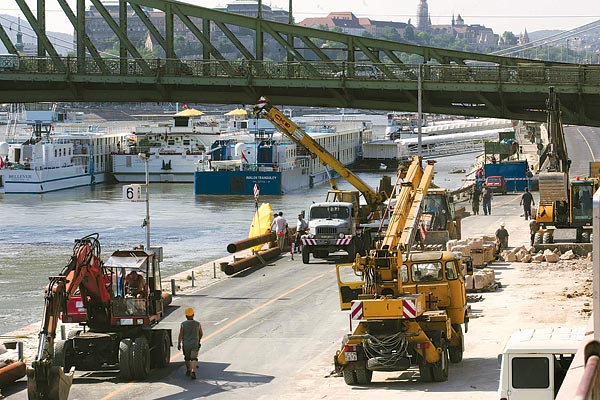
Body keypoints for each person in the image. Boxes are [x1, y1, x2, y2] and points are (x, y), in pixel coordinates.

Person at [177, 307, 203, 380]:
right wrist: (198, 340)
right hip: (195, 343)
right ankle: (193, 371)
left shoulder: (183, 324)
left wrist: (179, 343)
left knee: (187, 358)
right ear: (193, 314)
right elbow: (201, 333)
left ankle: (188, 370)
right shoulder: (197, 324)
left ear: (186, 316)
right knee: (194, 358)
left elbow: (181, 335)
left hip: (186, 344)